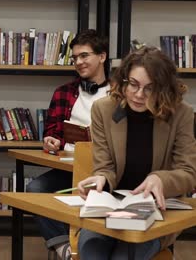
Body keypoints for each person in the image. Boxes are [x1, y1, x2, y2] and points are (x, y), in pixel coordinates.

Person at [77, 46, 196, 259]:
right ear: (123, 80)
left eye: (150, 88)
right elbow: (105, 167)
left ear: (164, 89)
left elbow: (188, 172)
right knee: (91, 250)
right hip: (109, 210)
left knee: (124, 256)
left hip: (156, 215)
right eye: (133, 84)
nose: (139, 95)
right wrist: (101, 178)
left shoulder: (181, 113)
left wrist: (161, 179)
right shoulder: (103, 109)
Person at [25, 29, 110, 259]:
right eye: (75, 58)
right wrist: (51, 141)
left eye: (84, 56)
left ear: (102, 56)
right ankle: (65, 249)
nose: (78, 62)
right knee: (35, 189)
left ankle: (90, 246)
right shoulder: (63, 92)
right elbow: (52, 132)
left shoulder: (119, 94)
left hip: (106, 171)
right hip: (69, 169)